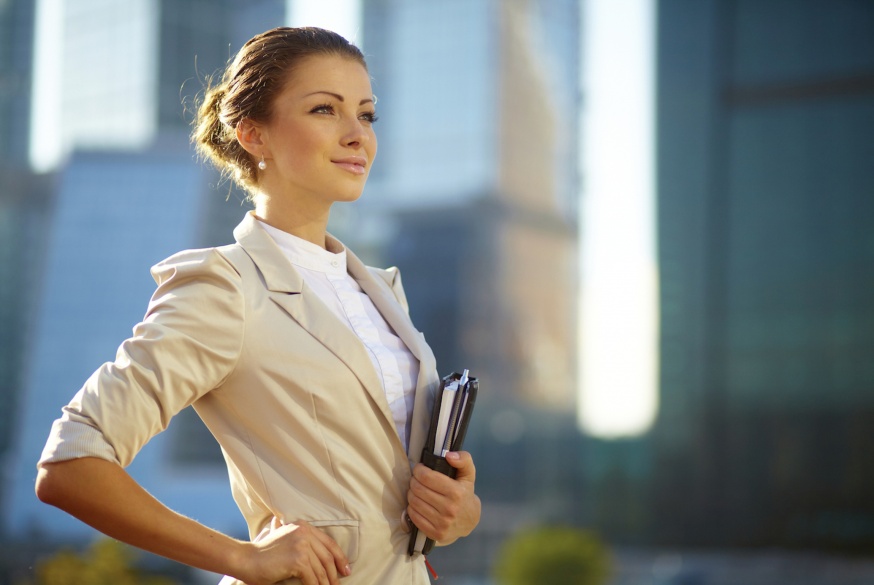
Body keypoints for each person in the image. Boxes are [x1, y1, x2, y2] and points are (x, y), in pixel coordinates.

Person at [34, 26, 481, 585]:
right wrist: (242, 558)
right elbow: (70, 463)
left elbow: (385, 492)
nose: (356, 135)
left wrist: (460, 512)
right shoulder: (224, 287)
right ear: (253, 135)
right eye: (325, 109)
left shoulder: (381, 292)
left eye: (366, 115)